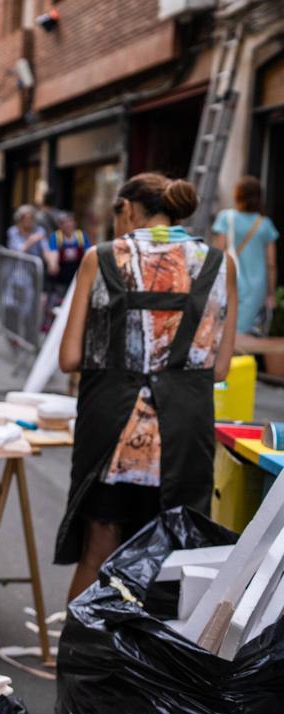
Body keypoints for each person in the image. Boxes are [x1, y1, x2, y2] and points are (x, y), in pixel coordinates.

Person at [58, 173, 237, 602]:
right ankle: (153, 665)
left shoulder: (99, 259)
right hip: (183, 436)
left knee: (98, 548)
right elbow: (219, 370)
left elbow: (68, 358)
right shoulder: (218, 263)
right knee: (175, 559)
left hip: (113, 433)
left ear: (130, 211)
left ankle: (83, 660)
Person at [212, 176, 279, 335]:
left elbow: (218, 252)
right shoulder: (265, 224)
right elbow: (271, 263)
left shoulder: (226, 217)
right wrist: (271, 294)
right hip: (257, 287)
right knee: (244, 333)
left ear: (237, 195)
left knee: (225, 331)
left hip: (230, 280)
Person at [44, 212, 91, 313]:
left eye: (70, 222)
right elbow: (53, 253)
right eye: (65, 222)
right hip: (61, 275)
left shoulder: (81, 236)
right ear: (60, 225)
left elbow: (88, 253)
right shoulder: (56, 237)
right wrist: (53, 264)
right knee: (58, 298)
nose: (68, 224)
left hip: (76, 273)